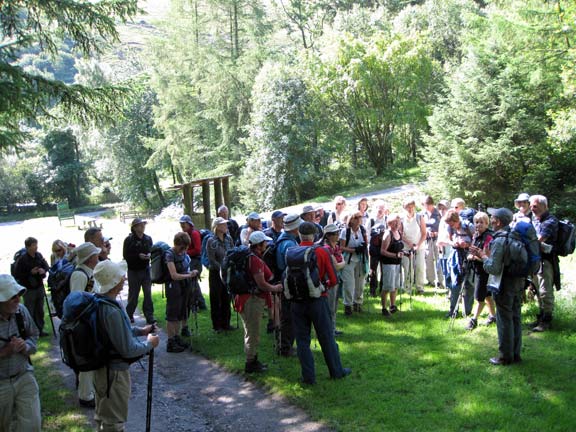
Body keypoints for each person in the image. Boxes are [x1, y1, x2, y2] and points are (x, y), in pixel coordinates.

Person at [91, 260, 159, 430]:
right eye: (121, 276)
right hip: (114, 374)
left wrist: (140, 331)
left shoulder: (100, 301)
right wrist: (149, 343)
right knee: (114, 421)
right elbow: (127, 350)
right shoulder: (111, 310)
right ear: (114, 283)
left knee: (102, 415)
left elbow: (118, 331)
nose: (124, 277)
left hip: (102, 370)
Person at [289, 222, 351, 385]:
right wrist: (323, 285)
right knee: (326, 337)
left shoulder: (292, 252)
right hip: (317, 300)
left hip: (297, 301)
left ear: (299, 235)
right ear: (315, 235)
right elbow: (333, 278)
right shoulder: (321, 251)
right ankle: (336, 371)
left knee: (302, 340)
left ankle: (308, 377)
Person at [470, 208, 524, 365]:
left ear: (498, 221)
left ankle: (505, 357)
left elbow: (493, 268)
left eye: (493, 218)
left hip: (504, 285)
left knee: (504, 320)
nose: (491, 220)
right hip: (518, 282)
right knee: (515, 317)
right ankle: (516, 354)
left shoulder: (500, 240)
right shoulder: (515, 235)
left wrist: (483, 256)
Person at [235, 231, 283, 373]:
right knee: (253, 332)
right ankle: (251, 363)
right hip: (251, 300)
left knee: (250, 331)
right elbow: (261, 284)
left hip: (246, 299)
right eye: (265, 242)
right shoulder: (254, 260)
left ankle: (253, 359)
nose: (267, 244)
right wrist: (275, 287)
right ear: (259, 245)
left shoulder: (251, 256)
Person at [0, 274, 41, 432]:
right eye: (12, 296)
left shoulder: (21, 311)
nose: (18, 299)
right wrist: (5, 352)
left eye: (18, 294)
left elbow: (34, 334)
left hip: (24, 376)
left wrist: (26, 346)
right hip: (1, 383)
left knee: (32, 426)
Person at [70, 242, 101, 408]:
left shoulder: (88, 272)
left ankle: (90, 391)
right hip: (84, 325)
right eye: (95, 254)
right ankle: (85, 396)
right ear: (90, 258)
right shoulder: (80, 275)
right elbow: (75, 302)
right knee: (86, 361)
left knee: (92, 359)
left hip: (91, 322)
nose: (98, 256)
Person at [165, 232, 199, 352]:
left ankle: (176, 337)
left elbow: (186, 268)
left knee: (180, 313)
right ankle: (170, 342)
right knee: (172, 315)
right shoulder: (169, 254)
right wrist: (189, 275)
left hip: (184, 286)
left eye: (186, 247)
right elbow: (173, 275)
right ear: (177, 244)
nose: (184, 250)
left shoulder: (183, 253)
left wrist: (191, 272)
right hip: (173, 287)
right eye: (182, 247)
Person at [529, 194, 559, 332]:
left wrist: (526, 237)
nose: (532, 208)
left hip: (546, 261)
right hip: (535, 260)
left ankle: (546, 321)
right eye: (531, 206)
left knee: (545, 291)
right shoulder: (534, 220)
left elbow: (539, 239)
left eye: (535, 206)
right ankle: (541, 318)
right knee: (537, 289)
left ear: (544, 206)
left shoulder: (550, 221)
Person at [465, 212, 496, 330]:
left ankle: (474, 319)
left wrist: (473, 257)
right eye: (476, 222)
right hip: (477, 270)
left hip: (485, 271)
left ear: (487, 224)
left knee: (479, 297)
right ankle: (493, 316)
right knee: (487, 296)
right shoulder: (476, 235)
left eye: (482, 222)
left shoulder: (488, 237)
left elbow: (487, 258)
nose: (478, 225)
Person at [13, 237, 49, 336]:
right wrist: (30, 272)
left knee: (40, 310)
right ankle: (31, 332)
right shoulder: (22, 259)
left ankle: (40, 330)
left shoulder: (38, 256)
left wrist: (43, 270)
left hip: (39, 286)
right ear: (28, 247)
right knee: (30, 311)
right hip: (29, 289)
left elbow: (46, 266)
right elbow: (17, 274)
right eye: (34, 245)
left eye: (36, 244)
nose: (36, 247)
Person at [123, 218, 155, 325]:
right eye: (140, 225)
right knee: (133, 294)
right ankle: (129, 314)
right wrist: (138, 256)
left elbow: (152, 251)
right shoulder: (129, 240)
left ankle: (149, 315)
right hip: (133, 271)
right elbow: (126, 256)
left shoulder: (148, 239)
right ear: (135, 227)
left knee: (148, 293)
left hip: (146, 270)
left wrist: (149, 255)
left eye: (143, 225)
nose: (142, 227)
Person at [444, 209, 474, 318]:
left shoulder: (468, 226)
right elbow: (448, 239)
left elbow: (476, 241)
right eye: (450, 225)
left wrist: (466, 244)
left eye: (453, 224)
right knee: (455, 282)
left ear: (457, 220)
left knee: (469, 283)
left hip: (468, 255)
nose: (452, 227)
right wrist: (454, 243)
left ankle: (467, 311)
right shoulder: (449, 226)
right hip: (455, 255)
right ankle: (453, 310)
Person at [206, 217, 234, 332]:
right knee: (216, 299)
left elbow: (233, 252)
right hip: (215, 273)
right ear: (217, 227)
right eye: (223, 224)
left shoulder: (229, 239)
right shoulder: (211, 241)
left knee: (226, 298)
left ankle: (226, 323)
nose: (226, 226)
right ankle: (217, 325)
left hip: (227, 272)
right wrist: (222, 268)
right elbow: (211, 259)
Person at [340, 211, 368, 315]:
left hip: (361, 260)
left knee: (360, 283)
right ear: (352, 219)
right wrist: (354, 250)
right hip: (348, 260)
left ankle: (358, 303)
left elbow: (366, 243)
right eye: (357, 218)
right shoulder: (345, 231)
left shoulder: (362, 230)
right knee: (349, 283)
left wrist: (364, 251)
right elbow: (341, 247)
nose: (359, 219)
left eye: (360, 217)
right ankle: (348, 305)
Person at [179, 214, 206, 317]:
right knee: (193, 283)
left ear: (189, 224)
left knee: (192, 283)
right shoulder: (184, 234)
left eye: (184, 224)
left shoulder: (194, 234)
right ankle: (199, 303)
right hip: (189, 260)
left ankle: (196, 304)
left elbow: (197, 250)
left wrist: (184, 253)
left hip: (196, 261)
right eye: (181, 224)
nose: (182, 226)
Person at [321, 224, 345, 336]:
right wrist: (343, 263)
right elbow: (336, 266)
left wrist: (341, 263)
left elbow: (339, 262)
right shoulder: (327, 249)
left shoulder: (335, 247)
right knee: (330, 306)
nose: (338, 235)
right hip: (329, 280)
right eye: (336, 234)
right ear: (329, 236)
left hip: (336, 278)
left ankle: (333, 328)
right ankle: (329, 330)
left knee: (335, 305)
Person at [379, 214, 404, 316]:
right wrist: (395, 255)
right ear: (389, 223)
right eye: (395, 222)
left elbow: (399, 248)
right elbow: (383, 251)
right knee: (387, 286)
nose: (397, 224)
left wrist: (405, 253)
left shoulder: (398, 233)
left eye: (398, 222)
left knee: (395, 286)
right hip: (388, 264)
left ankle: (392, 305)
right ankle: (384, 308)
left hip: (397, 264)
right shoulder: (387, 234)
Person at [400, 198, 427, 295]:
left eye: (412, 207)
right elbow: (400, 233)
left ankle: (420, 287)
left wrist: (417, 245)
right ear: (404, 208)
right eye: (408, 207)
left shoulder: (419, 217)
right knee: (408, 268)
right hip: (406, 247)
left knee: (419, 267)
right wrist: (410, 244)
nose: (410, 209)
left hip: (419, 246)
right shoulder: (402, 218)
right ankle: (407, 287)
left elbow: (424, 234)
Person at [422, 196, 442, 288]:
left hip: (438, 239)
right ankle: (430, 280)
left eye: (429, 205)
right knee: (428, 259)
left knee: (439, 259)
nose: (427, 207)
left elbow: (443, 226)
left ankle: (441, 281)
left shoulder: (438, 213)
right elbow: (421, 226)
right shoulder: (422, 214)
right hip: (427, 239)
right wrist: (426, 232)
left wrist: (437, 233)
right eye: (426, 205)